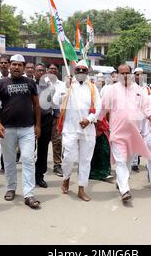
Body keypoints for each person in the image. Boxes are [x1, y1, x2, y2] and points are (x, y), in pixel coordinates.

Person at [100, 64, 151, 203]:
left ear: (131, 74)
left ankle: (121, 182)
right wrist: (92, 121)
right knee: (120, 161)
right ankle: (125, 190)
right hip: (118, 132)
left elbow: (146, 106)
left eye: (127, 73)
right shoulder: (111, 90)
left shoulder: (139, 90)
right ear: (118, 75)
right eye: (122, 73)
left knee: (128, 162)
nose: (125, 76)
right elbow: (102, 109)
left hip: (134, 134)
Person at [0, 54, 42, 209]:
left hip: (27, 128)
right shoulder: (1, 83)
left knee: (27, 159)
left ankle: (29, 194)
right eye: (14, 64)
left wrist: (38, 125)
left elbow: (37, 105)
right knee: (9, 160)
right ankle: (11, 188)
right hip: (7, 128)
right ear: (9, 65)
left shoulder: (30, 83)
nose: (16, 67)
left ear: (24, 67)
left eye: (20, 65)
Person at [54, 60, 101, 202]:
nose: (80, 72)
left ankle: (81, 188)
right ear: (74, 71)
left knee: (86, 160)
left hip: (88, 129)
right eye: (78, 70)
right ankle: (66, 177)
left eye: (83, 70)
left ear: (87, 72)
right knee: (68, 157)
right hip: (70, 129)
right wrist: (65, 87)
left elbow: (99, 106)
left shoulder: (93, 87)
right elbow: (56, 101)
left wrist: (90, 119)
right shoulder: (67, 85)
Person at [34, 63, 54, 188]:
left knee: (43, 148)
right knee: (29, 149)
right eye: (38, 70)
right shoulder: (29, 84)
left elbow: (55, 101)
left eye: (42, 70)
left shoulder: (50, 86)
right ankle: (30, 175)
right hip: (30, 119)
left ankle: (40, 175)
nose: (40, 73)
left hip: (46, 119)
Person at [47, 63, 64, 177]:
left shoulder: (62, 85)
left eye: (55, 68)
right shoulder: (42, 82)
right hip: (44, 115)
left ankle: (57, 165)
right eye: (51, 69)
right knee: (42, 141)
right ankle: (41, 164)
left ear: (57, 71)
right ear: (47, 70)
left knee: (57, 141)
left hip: (57, 115)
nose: (53, 70)